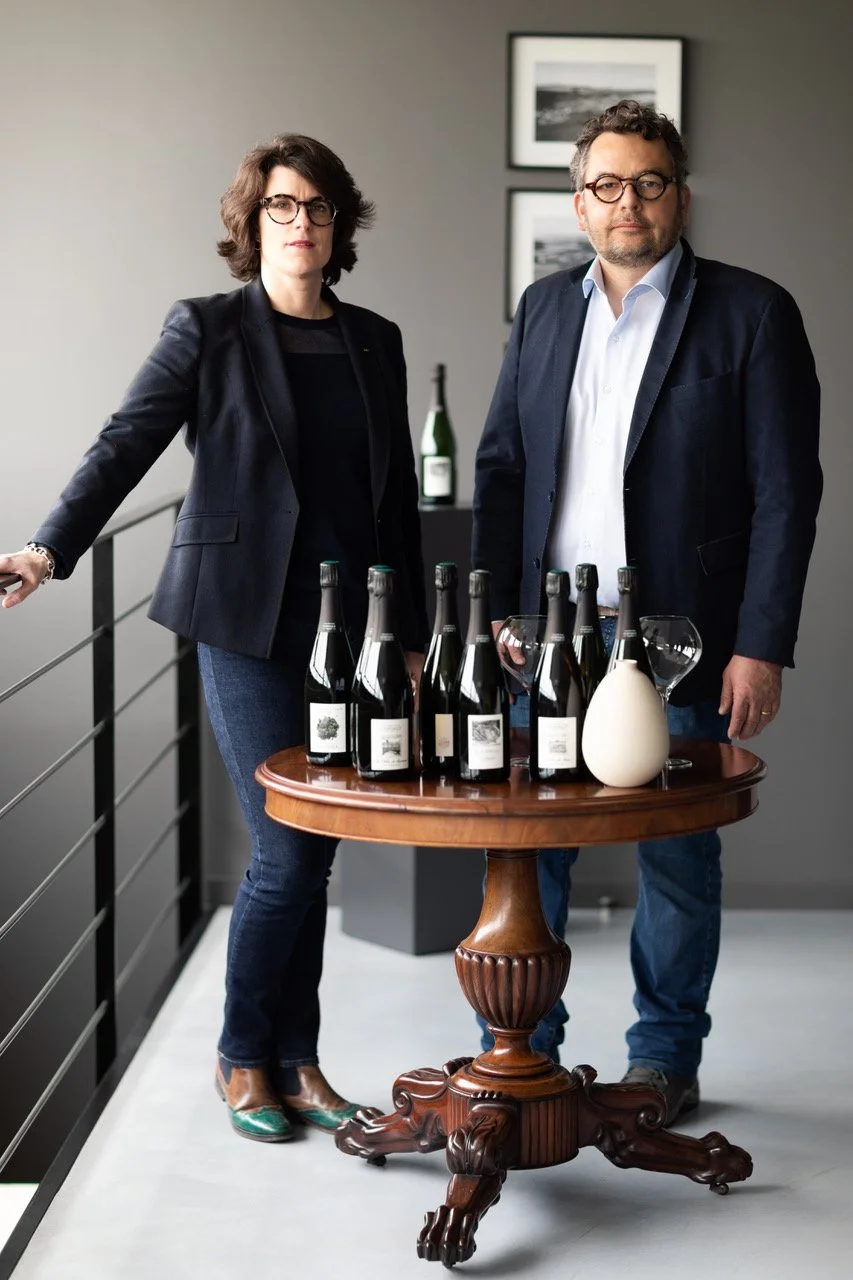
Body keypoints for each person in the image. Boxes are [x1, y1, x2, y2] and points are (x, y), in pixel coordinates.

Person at [0, 134, 428, 1143]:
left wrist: (408, 636)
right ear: (252, 220)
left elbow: (397, 498)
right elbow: (126, 441)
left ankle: (299, 1061)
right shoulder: (207, 328)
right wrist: (47, 550)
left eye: (317, 207)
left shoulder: (374, 339)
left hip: (348, 632)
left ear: (338, 224)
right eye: (282, 205)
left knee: (316, 849)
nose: (300, 223)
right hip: (242, 619)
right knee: (286, 846)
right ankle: (243, 1055)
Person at [472, 100, 822, 1124]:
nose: (628, 202)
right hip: (545, 635)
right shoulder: (544, 310)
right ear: (579, 203)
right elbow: (501, 469)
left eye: (649, 182)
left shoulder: (752, 312)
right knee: (529, 845)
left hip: (679, 637)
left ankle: (662, 1060)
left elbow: (785, 493)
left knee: (675, 851)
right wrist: (494, 613)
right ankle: (523, 1051)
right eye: (607, 184)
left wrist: (760, 644)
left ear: (679, 195)